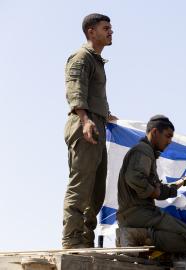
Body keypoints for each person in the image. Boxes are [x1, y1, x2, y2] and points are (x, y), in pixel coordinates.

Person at [63, 13, 118, 248]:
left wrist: (105, 115)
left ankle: (85, 240)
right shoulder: (81, 57)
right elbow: (75, 90)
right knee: (81, 185)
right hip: (84, 125)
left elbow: (92, 94)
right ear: (91, 32)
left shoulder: (96, 61)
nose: (111, 31)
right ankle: (72, 239)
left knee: (96, 190)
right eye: (106, 28)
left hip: (97, 125)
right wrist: (86, 120)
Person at [116, 115, 186, 253]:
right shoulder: (143, 150)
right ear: (155, 132)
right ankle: (140, 237)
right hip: (135, 213)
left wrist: (185, 180)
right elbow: (134, 178)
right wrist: (151, 191)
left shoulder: (148, 153)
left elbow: (159, 191)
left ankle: (147, 240)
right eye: (168, 136)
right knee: (184, 237)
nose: (169, 141)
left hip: (142, 213)